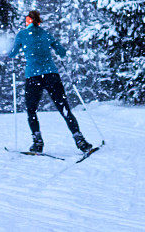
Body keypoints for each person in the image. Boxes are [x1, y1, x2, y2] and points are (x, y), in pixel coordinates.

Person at [8, 10, 93, 153]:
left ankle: (37, 143)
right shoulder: (46, 34)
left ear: (28, 20)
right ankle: (80, 140)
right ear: (39, 21)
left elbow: (13, 53)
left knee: (31, 110)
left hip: (33, 77)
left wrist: (13, 50)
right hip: (51, 75)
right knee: (64, 108)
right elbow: (62, 52)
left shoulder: (22, 35)